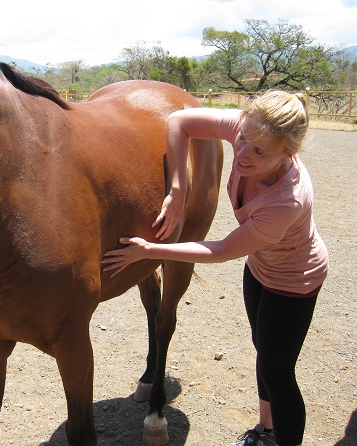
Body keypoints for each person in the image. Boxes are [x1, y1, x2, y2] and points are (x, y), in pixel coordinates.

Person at [102, 90, 328, 446]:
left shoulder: (287, 200)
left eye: (258, 152)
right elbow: (178, 120)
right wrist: (178, 187)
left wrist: (151, 251)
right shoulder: (250, 129)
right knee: (263, 348)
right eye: (241, 140)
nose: (241, 154)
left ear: (289, 154)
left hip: (294, 278)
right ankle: (266, 430)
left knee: (277, 370)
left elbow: (221, 249)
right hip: (261, 265)